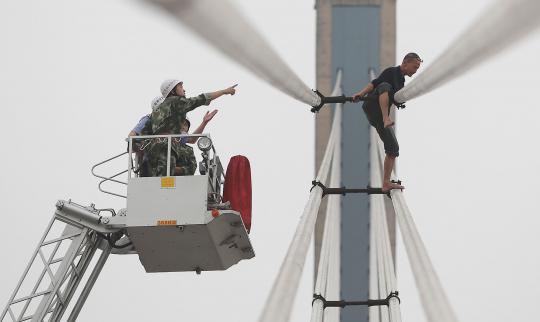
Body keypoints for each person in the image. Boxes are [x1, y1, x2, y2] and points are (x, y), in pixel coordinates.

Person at [352, 52, 422, 192]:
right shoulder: (391, 71)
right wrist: (361, 93)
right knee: (384, 85)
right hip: (372, 107)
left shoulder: (401, 82)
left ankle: (386, 182)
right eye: (415, 67)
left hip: (379, 119)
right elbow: (374, 84)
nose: (415, 71)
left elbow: (396, 99)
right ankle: (386, 118)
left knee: (393, 149)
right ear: (405, 63)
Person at [147, 79, 236, 177]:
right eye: (180, 87)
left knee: (158, 180)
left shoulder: (156, 111)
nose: (183, 89)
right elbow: (200, 99)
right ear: (172, 91)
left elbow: (190, 139)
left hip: (154, 149)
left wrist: (204, 122)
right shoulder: (175, 102)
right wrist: (224, 92)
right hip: (167, 147)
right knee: (164, 183)